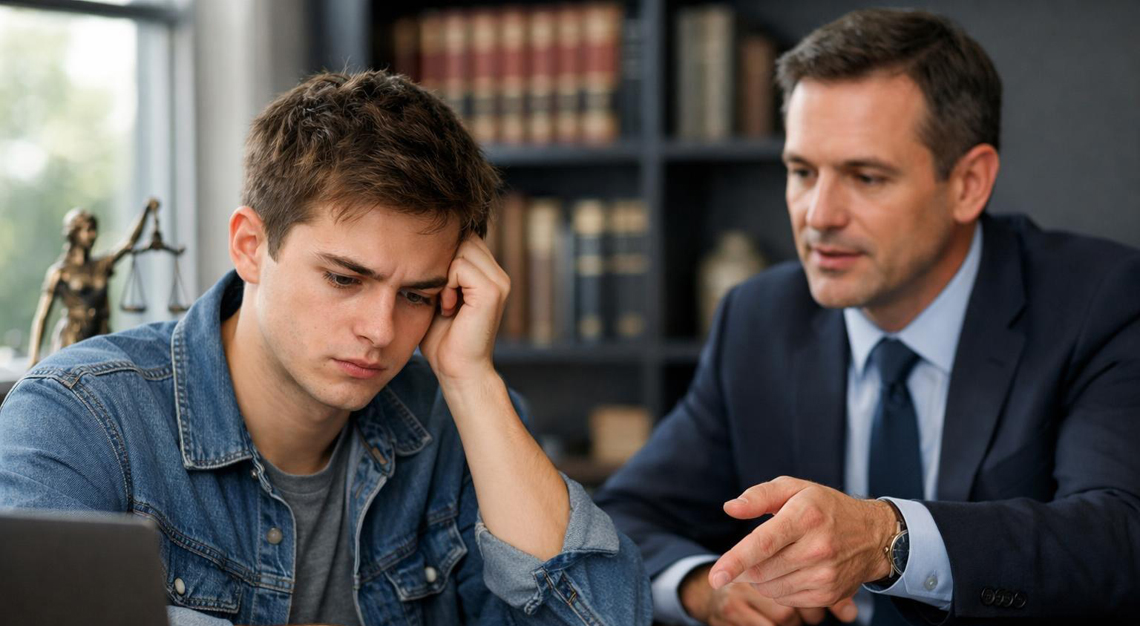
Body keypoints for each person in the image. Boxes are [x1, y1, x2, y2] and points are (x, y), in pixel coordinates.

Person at [0, 71, 651, 626]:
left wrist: (471, 377)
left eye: (419, 294)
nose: (380, 329)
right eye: (345, 279)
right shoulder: (78, 416)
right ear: (251, 246)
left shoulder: (464, 420)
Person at [596, 8, 1140, 626]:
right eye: (802, 172)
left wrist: (889, 537)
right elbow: (628, 515)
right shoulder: (758, 317)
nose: (819, 214)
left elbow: (1120, 537)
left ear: (969, 183)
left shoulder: (1101, 301)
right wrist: (703, 586)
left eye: (865, 176)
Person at [28, 198, 158, 365]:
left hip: (99, 334)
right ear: (74, 233)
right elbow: (42, 316)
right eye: (88, 230)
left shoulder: (101, 265)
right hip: (71, 340)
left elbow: (128, 243)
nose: (93, 235)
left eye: (94, 230)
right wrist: (33, 357)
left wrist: (145, 211)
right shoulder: (60, 272)